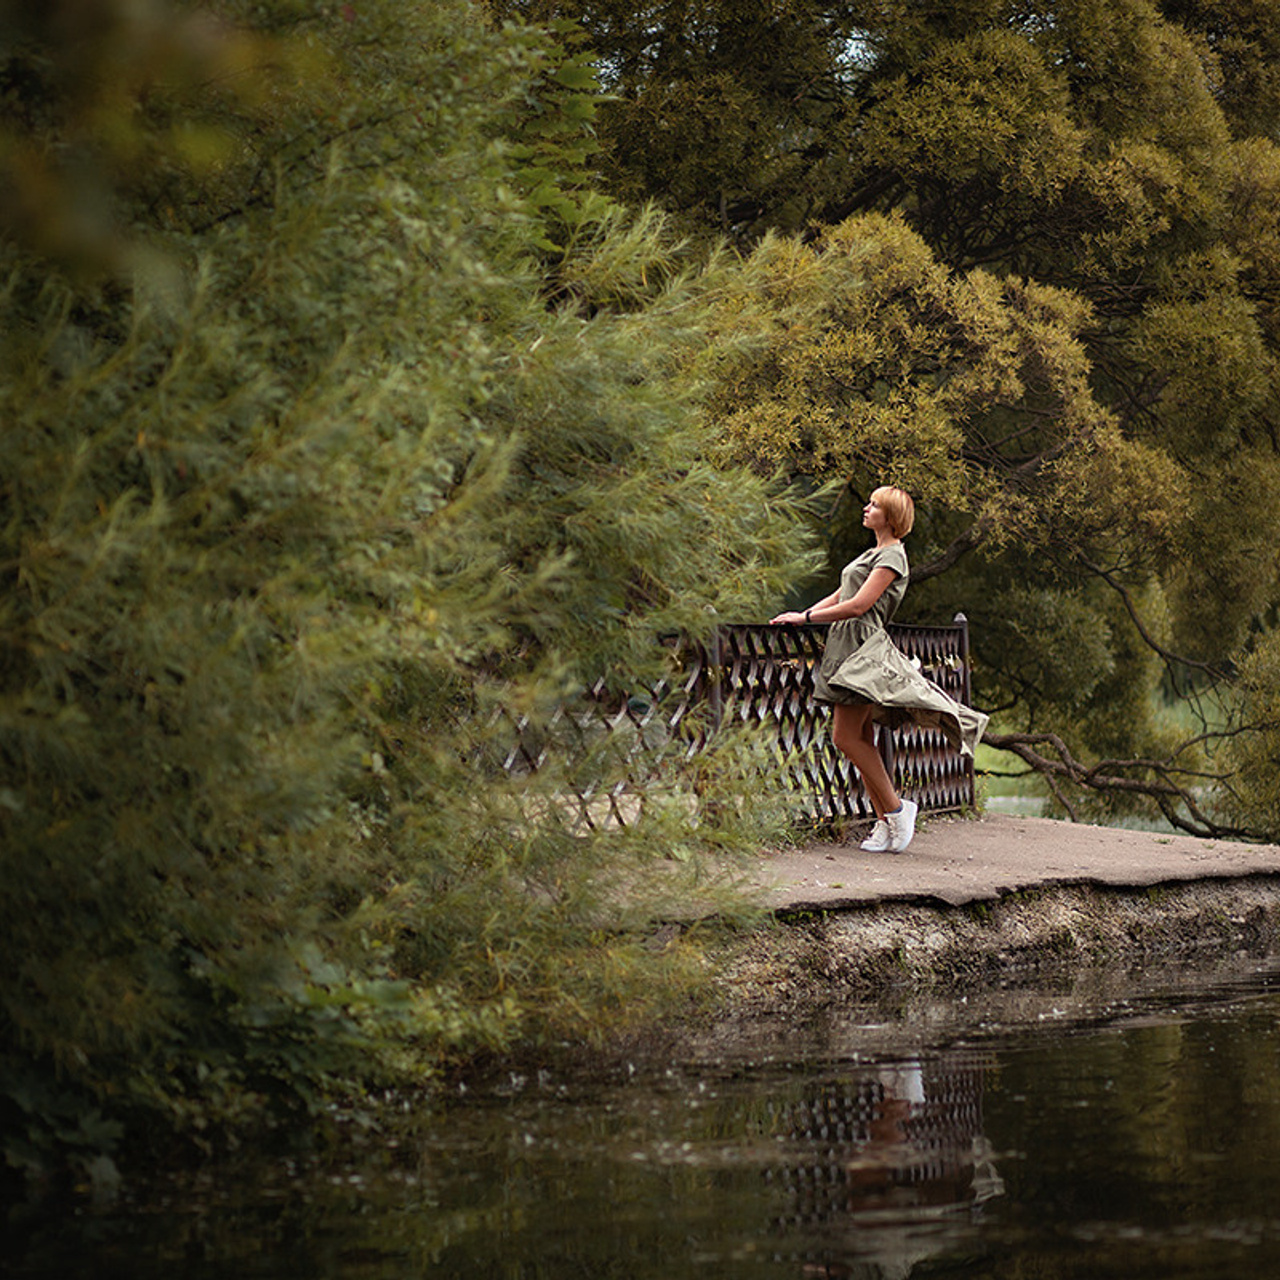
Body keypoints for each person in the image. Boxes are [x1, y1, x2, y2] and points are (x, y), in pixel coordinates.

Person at [770, 485, 987, 854]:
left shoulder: (893, 557)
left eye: (874, 505)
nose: (866, 508)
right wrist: (803, 618)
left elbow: (859, 606)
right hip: (845, 646)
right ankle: (886, 822)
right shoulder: (873, 553)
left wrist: (806, 616)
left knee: (845, 738)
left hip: (861, 651)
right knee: (860, 739)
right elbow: (841, 596)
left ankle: (899, 810)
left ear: (890, 516)